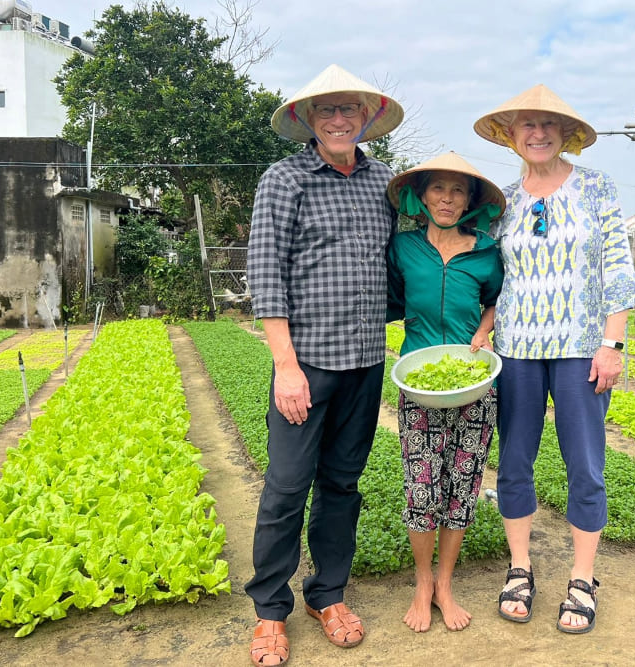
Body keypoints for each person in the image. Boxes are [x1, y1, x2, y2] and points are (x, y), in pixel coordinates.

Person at [244, 64, 404, 667]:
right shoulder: (285, 179)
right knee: (286, 487)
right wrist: (285, 366)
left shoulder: (384, 182)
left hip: (365, 363)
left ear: (366, 119)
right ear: (309, 120)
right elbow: (266, 276)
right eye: (326, 111)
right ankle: (269, 611)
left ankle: (327, 595)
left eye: (350, 111)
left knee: (342, 484)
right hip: (305, 366)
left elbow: (410, 255)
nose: (339, 120)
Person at [472, 84, 635, 634]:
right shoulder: (502, 199)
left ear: (566, 134)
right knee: (514, 462)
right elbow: (495, 277)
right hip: (517, 349)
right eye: (526, 125)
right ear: (512, 136)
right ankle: (520, 568)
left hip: (581, 349)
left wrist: (613, 344)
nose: (537, 133)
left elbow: (617, 265)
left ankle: (583, 578)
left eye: (548, 125)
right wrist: (482, 331)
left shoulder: (595, 187)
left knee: (585, 465)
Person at [385, 152, 506, 633]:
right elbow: (389, 297)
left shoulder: (486, 252)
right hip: (419, 384)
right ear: (422, 195)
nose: (448, 199)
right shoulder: (403, 248)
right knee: (422, 486)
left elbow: (497, 300)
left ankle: (445, 584)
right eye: (439, 188)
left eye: (458, 191)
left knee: (462, 488)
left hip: (473, 382)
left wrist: (485, 328)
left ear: (471, 201)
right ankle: (421, 583)